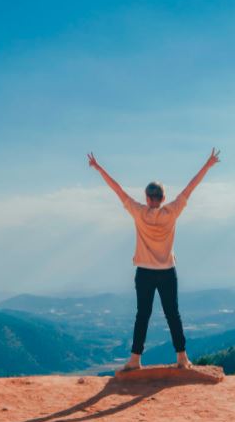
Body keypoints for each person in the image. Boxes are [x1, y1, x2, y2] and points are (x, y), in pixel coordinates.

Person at [87, 148, 221, 371]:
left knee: (143, 315)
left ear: (147, 198)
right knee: (172, 314)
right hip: (168, 270)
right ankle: (182, 358)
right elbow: (191, 187)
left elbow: (117, 189)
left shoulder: (138, 212)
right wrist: (207, 165)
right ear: (164, 198)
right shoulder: (172, 212)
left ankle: (135, 360)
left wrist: (99, 168)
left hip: (145, 272)